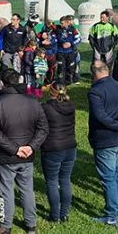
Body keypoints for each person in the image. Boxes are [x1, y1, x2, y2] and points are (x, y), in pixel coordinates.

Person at [0, 69, 49, 234]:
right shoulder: (33, 101)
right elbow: (43, 128)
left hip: (7, 155)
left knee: (6, 190)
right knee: (27, 189)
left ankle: (5, 226)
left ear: (3, 83)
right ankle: (31, 225)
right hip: (25, 155)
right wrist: (29, 147)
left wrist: (20, 148)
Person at [87, 60, 118, 226]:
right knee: (117, 174)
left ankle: (112, 215)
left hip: (106, 139)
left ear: (94, 73)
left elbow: (100, 115)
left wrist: (115, 125)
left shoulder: (96, 91)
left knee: (109, 178)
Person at [40, 83, 76, 223]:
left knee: (52, 181)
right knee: (65, 180)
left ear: (51, 92)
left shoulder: (46, 108)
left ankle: (55, 215)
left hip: (52, 148)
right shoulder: (71, 106)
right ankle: (64, 213)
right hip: (70, 147)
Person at [55, 15, 80, 85]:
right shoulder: (57, 28)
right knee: (61, 67)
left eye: (62, 23)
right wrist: (61, 42)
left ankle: (68, 81)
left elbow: (78, 39)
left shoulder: (73, 29)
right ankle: (60, 82)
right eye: (60, 23)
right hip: (60, 52)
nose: (61, 24)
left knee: (70, 67)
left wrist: (70, 44)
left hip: (70, 52)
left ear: (67, 22)